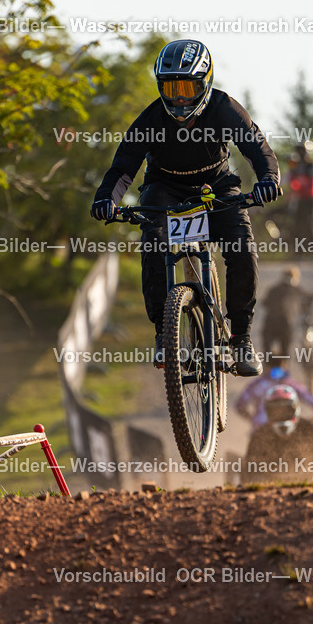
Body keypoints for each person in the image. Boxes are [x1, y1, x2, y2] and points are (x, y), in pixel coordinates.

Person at [90, 39, 281, 376]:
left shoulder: (225, 108)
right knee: (153, 244)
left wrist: (268, 179)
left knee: (242, 248)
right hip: (165, 188)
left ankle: (241, 338)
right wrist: (107, 199)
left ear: (205, 84)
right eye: (171, 89)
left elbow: (257, 148)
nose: (179, 98)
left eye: (187, 88)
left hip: (216, 186)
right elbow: (123, 167)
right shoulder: (150, 118)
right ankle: (164, 334)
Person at [243, 384, 313, 481]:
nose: (281, 414)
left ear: (295, 409)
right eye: (276, 411)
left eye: (286, 410)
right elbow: (248, 469)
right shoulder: (260, 435)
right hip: (269, 485)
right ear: (268, 413)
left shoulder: (308, 429)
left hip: (308, 482)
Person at [260, 267, 313, 365]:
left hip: (270, 324)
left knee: (267, 352)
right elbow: (312, 296)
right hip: (286, 324)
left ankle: (267, 368)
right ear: (295, 278)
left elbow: (264, 303)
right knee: (285, 353)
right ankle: (284, 368)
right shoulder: (296, 290)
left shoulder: (274, 289)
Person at [235, 363, 313, 432]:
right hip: (275, 427)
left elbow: (240, 405)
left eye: (280, 372)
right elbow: (308, 397)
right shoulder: (289, 384)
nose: (277, 375)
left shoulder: (256, 384)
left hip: (264, 427)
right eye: (275, 372)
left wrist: (253, 419)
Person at [285, 141, 313, 250]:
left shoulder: (311, 166)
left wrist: (298, 184)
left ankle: (311, 249)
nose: (300, 154)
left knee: (307, 223)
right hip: (299, 198)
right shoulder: (295, 166)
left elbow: (310, 181)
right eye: (298, 151)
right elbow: (289, 179)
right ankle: (298, 250)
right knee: (297, 223)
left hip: (309, 198)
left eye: (302, 151)